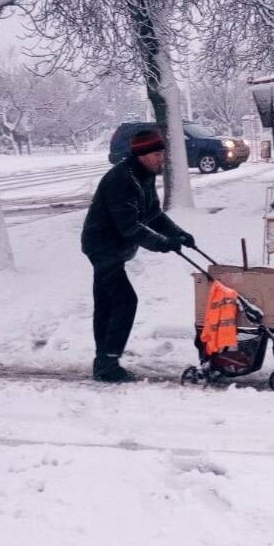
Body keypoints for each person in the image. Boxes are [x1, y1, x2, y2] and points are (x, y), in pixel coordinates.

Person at [81, 128, 195, 383]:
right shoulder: (122, 180)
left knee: (107, 304)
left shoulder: (143, 175)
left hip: (113, 247)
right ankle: (108, 363)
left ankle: (104, 362)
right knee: (124, 301)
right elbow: (131, 228)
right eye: (156, 154)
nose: (161, 159)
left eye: (162, 153)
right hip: (103, 247)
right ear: (142, 154)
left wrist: (180, 235)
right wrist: (166, 243)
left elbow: (153, 213)